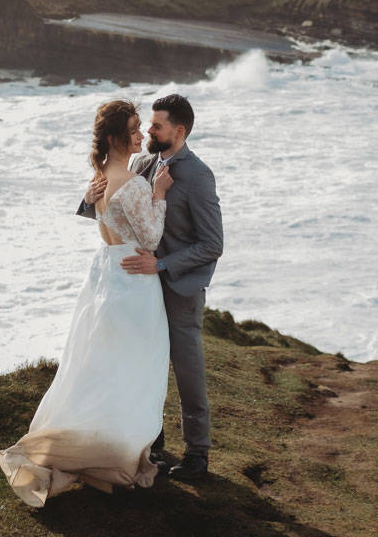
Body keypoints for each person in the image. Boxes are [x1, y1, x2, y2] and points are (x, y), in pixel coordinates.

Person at [0, 100, 175, 507]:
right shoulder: (135, 183)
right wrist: (160, 194)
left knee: (102, 366)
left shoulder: (99, 179)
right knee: (136, 367)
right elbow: (150, 239)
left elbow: (107, 219)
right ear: (115, 137)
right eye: (133, 129)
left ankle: (101, 441)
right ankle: (119, 449)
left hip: (106, 278)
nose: (140, 135)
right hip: (133, 281)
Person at [79, 93, 223, 481]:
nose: (148, 131)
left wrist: (160, 264)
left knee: (187, 369)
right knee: (144, 363)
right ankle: (150, 441)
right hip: (138, 285)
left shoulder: (198, 175)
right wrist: (87, 200)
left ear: (179, 131)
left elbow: (212, 244)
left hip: (177, 287)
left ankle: (197, 453)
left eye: (157, 126)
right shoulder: (142, 164)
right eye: (147, 125)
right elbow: (118, 208)